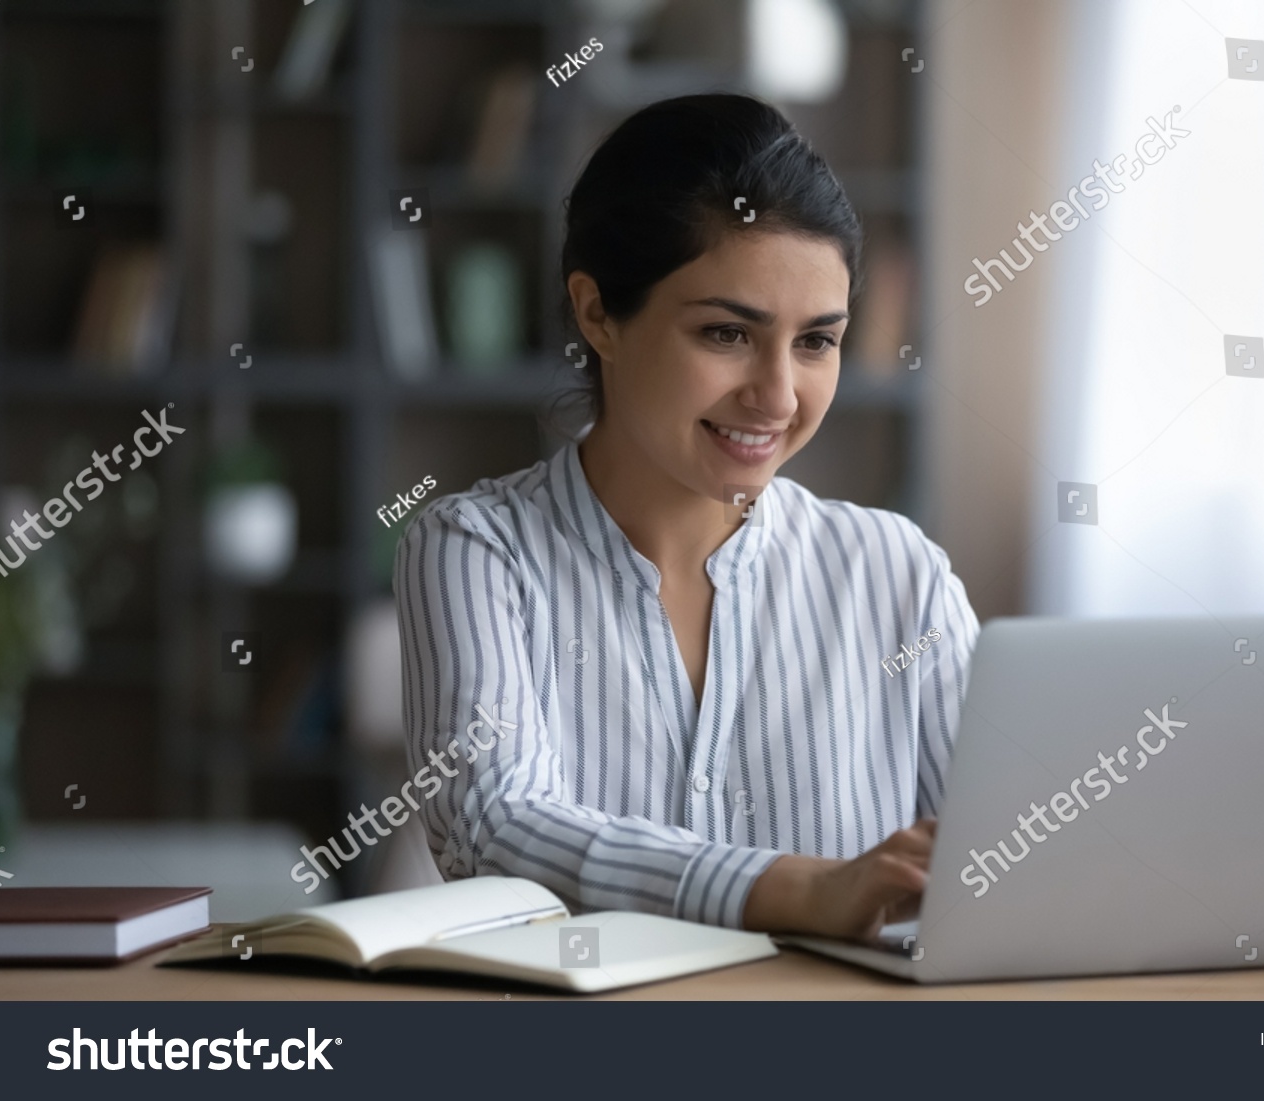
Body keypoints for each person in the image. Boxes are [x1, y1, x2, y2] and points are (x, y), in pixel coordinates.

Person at [395, 93, 978, 942]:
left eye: (816, 341)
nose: (778, 396)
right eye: (726, 334)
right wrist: (793, 890)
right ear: (598, 313)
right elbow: (496, 824)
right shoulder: (475, 549)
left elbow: (1006, 857)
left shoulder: (899, 573)